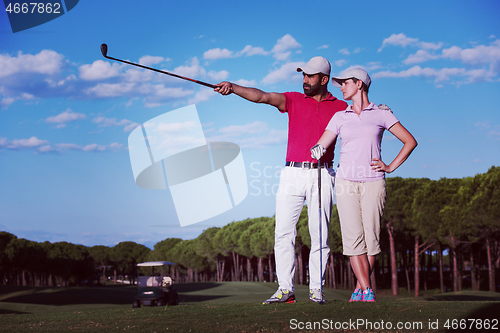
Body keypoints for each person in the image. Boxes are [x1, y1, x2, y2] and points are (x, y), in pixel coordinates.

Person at [215, 57, 347, 303]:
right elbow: (262, 96)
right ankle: (286, 290)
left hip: (322, 173)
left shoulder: (341, 107)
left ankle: (316, 290)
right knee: (283, 232)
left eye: (310, 76)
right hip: (291, 173)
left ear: (324, 79)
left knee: (320, 234)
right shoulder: (294, 99)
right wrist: (233, 88)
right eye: (303, 75)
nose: (304, 80)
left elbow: (363, 119)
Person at [311, 68, 417, 302]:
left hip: (373, 183)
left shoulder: (381, 114)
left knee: (371, 239)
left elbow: (410, 141)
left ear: (359, 84)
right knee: (352, 238)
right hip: (345, 182)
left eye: (345, 83)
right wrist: (315, 150)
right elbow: (323, 143)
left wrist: (390, 167)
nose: (341, 87)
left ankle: (361, 288)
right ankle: (367, 290)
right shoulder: (340, 116)